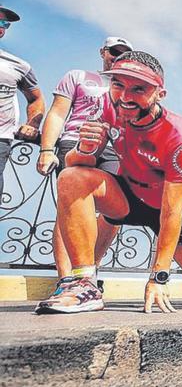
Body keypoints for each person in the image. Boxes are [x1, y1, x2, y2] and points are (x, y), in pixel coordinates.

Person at [35, 51, 182, 313]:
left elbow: (172, 210)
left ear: (160, 93)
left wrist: (158, 277)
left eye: (139, 89)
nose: (125, 97)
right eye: (118, 85)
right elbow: (74, 163)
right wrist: (87, 148)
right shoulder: (106, 106)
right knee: (72, 178)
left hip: (173, 206)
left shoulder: (180, 135)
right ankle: (84, 284)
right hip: (131, 195)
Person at [36, 37, 132, 296]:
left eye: (124, 54)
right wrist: (47, 149)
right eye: (114, 51)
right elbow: (57, 112)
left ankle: (89, 273)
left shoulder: (129, 88)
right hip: (75, 142)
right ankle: (67, 279)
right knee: (69, 207)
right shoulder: (78, 76)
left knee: (117, 212)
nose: (117, 57)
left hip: (113, 148)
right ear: (103, 52)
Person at [0, 4, 45, 196]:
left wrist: (32, 124)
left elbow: (36, 98)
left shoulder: (19, 66)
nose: (1, 26)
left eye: (4, 23)